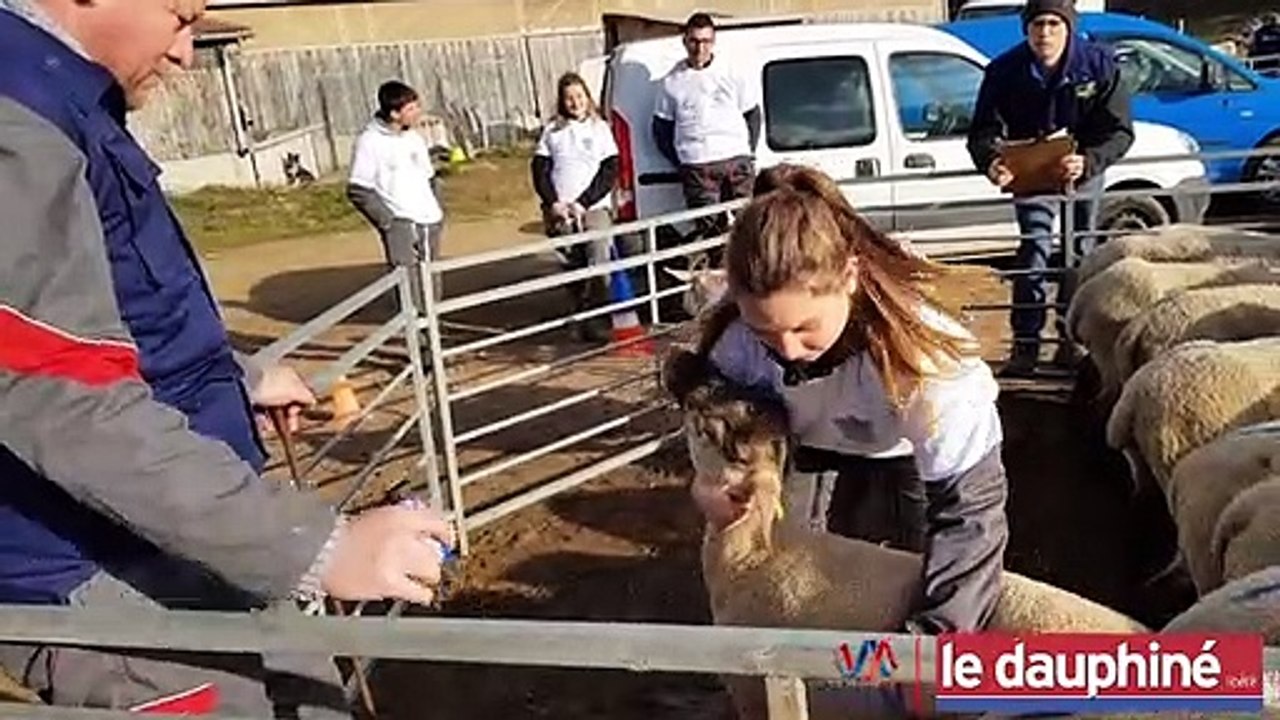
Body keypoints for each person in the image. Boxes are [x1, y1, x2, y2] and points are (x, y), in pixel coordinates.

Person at [0, 1, 452, 715]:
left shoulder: (62, 95)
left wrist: (234, 378)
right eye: (180, 15)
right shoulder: (15, 117)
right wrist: (316, 547)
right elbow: (57, 395)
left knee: (311, 695)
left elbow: (105, 312)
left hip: (185, 533)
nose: (186, 50)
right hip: (105, 573)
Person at [690, 163, 1010, 637]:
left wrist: (935, 642)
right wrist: (723, 475)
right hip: (804, 445)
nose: (789, 349)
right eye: (765, 332)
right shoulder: (734, 342)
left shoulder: (925, 358)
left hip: (903, 450)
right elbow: (723, 421)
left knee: (917, 570)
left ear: (850, 277)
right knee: (785, 565)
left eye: (804, 327)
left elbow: (970, 510)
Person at [966, 0, 1134, 377]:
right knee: (1035, 251)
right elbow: (983, 130)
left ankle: (1072, 341)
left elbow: (1120, 129)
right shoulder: (1004, 71)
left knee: (1079, 252)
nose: (1045, 33)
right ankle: (1026, 345)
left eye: (1054, 25)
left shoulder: (1099, 65)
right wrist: (993, 162)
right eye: (1037, 24)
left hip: (1081, 171)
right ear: (1026, 29)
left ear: (1069, 28)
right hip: (1032, 174)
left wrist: (1089, 159)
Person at [652, 12, 761, 258]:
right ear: (684, 41)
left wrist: (747, 151)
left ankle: (750, 283)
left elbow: (752, 114)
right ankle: (723, 288)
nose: (700, 48)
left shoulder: (732, 72)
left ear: (713, 42)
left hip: (736, 160)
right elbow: (661, 129)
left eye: (705, 41)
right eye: (694, 41)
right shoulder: (671, 82)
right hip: (698, 167)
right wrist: (682, 161)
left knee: (748, 227)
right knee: (711, 233)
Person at [530, 71, 620, 343]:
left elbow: (609, 170)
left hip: (592, 208)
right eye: (568, 98)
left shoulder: (600, 128)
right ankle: (578, 316)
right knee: (572, 265)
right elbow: (540, 170)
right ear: (561, 101)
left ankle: (598, 318)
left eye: (579, 96)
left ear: (587, 98)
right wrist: (553, 202)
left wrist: (584, 202)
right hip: (561, 210)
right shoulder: (552, 131)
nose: (575, 102)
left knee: (597, 261)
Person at [347, 80, 446, 315]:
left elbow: (429, 177)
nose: (418, 112)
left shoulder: (414, 139)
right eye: (411, 109)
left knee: (430, 278)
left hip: (428, 221)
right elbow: (358, 189)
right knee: (406, 280)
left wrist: (437, 210)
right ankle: (416, 337)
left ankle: (432, 334)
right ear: (394, 113)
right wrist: (389, 222)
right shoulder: (369, 142)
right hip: (400, 221)